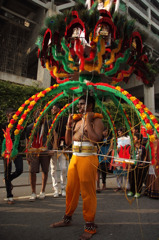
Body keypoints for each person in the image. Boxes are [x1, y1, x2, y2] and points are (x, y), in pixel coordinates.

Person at [50, 95, 104, 240]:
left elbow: (96, 139)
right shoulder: (76, 121)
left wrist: (87, 120)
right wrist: (68, 126)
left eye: (82, 104)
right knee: (70, 189)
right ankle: (67, 218)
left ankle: (90, 225)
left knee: (87, 191)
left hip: (88, 158)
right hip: (75, 157)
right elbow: (68, 142)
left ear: (91, 105)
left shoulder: (96, 120)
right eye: (79, 105)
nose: (79, 107)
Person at [1, 109, 23, 204]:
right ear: (7, 115)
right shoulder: (2, 126)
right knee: (7, 172)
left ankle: (8, 179)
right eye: (12, 114)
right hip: (6, 152)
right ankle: (9, 196)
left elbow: (22, 138)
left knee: (20, 169)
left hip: (16, 151)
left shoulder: (18, 126)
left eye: (15, 114)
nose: (14, 116)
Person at [26, 117, 50, 201]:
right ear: (35, 118)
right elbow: (27, 140)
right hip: (33, 151)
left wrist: (52, 148)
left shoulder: (48, 125)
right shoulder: (30, 127)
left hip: (45, 151)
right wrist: (27, 153)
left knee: (45, 170)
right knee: (32, 171)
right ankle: (33, 192)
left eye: (43, 117)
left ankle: (42, 191)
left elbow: (54, 135)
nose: (42, 119)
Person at [49, 103, 68, 197]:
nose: (53, 110)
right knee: (53, 169)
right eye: (52, 109)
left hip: (62, 147)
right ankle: (56, 189)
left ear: (59, 109)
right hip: (53, 148)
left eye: (54, 108)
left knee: (64, 168)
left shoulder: (65, 119)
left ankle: (63, 188)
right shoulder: (50, 121)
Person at [128, 133, 147, 198]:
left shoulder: (143, 148)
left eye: (134, 138)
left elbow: (145, 156)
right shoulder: (131, 147)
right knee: (131, 178)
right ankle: (131, 191)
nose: (133, 139)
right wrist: (129, 164)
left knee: (139, 179)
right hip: (132, 165)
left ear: (139, 140)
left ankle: (138, 191)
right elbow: (130, 156)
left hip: (139, 166)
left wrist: (143, 163)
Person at [97, 127, 113, 192]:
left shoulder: (110, 139)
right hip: (99, 155)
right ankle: (97, 185)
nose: (105, 133)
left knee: (104, 170)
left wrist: (107, 154)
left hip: (106, 155)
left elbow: (111, 147)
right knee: (97, 170)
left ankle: (104, 184)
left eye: (106, 131)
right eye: (103, 131)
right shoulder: (99, 138)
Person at [114, 128, 130, 192]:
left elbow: (129, 146)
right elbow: (115, 147)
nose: (119, 133)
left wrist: (124, 147)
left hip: (126, 156)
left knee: (126, 173)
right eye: (118, 132)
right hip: (118, 157)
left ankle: (127, 187)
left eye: (120, 132)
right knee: (118, 173)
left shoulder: (128, 138)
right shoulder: (117, 139)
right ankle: (119, 186)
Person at [145, 131, 159, 199]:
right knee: (151, 175)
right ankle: (150, 190)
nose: (155, 135)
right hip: (151, 161)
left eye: (157, 133)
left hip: (157, 162)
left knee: (156, 176)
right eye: (154, 133)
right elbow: (147, 151)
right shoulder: (150, 141)